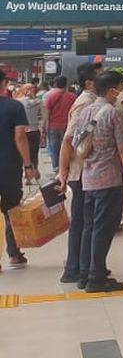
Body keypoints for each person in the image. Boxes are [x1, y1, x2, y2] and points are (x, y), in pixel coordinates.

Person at [56, 70, 123, 292]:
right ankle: (96, 277)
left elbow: (72, 142)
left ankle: (85, 274)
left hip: (88, 177)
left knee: (89, 227)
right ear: (112, 90)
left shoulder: (85, 111)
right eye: (120, 89)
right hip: (109, 178)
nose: (122, 93)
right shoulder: (114, 113)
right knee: (103, 228)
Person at [57, 63, 100, 284]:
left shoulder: (93, 102)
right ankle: (74, 268)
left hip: (87, 171)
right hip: (81, 172)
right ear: (89, 83)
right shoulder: (84, 104)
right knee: (82, 222)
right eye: (100, 77)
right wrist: (63, 172)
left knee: (87, 221)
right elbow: (68, 140)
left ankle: (87, 265)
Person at [1, 83, 39, 272]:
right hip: (8, 167)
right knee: (11, 211)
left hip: (8, 166)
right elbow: (20, 137)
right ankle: (14, 253)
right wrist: (28, 164)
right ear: (2, 84)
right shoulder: (14, 107)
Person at [43, 75, 75, 172]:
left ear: (55, 84)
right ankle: (66, 167)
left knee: (54, 148)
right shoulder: (72, 96)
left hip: (53, 126)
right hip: (68, 126)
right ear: (66, 84)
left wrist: (44, 127)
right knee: (67, 147)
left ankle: (56, 168)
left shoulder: (50, 96)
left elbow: (46, 113)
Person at [14, 82, 45, 167]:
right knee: (34, 153)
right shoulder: (39, 102)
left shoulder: (17, 102)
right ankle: (34, 169)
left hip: (20, 131)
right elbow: (42, 117)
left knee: (20, 153)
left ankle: (25, 173)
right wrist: (42, 130)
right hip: (34, 130)